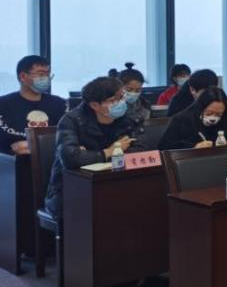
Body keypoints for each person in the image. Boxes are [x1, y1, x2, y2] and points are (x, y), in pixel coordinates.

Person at [46, 76, 142, 220]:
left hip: (115, 184)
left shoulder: (128, 117)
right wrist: (111, 151)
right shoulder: (71, 121)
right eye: (113, 100)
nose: (121, 103)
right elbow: (71, 159)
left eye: (122, 97)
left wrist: (90, 156)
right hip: (70, 191)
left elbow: (140, 149)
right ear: (95, 105)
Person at [0, 55, 66, 156]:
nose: (46, 78)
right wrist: (10, 150)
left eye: (48, 74)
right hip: (12, 162)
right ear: (23, 76)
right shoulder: (3, 105)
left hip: (53, 160)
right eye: (41, 74)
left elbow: (68, 136)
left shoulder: (60, 104)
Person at [159, 87, 227, 151]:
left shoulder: (225, 121)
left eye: (218, 114)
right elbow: (164, 147)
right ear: (201, 108)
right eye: (209, 113)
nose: (213, 118)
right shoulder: (181, 120)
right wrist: (193, 147)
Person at [114, 63, 152, 127]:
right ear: (119, 87)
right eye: (129, 89)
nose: (133, 93)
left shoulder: (145, 104)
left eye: (138, 90)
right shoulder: (113, 106)